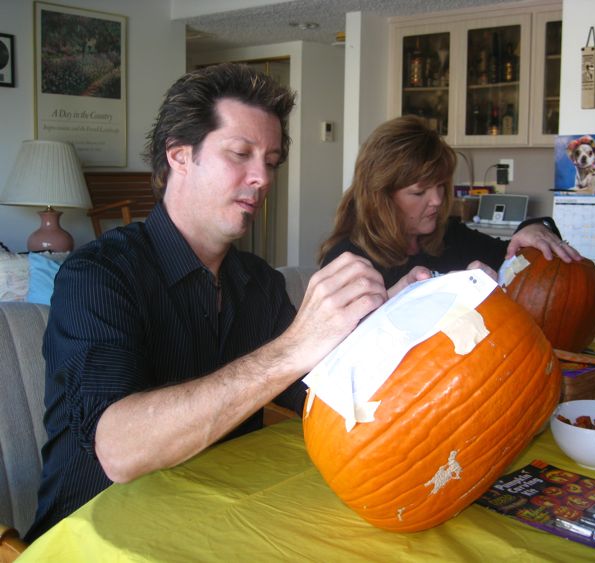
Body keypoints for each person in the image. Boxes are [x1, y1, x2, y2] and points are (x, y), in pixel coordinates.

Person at [25, 63, 401, 542]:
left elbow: (327, 398)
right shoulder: (98, 275)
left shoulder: (258, 284)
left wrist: (401, 314)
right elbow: (118, 450)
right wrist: (293, 348)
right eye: (241, 153)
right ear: (180, 156)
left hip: (216, 527)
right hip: (94, 538)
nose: (262, 178)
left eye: (271, 160)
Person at [319, 115, 581, 287]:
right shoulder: (347, 260)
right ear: (380, 197)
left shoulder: (450, 238)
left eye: (441, 186)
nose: (437, 200)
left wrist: (533, 228)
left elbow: (515, 259)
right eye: (419, 192)